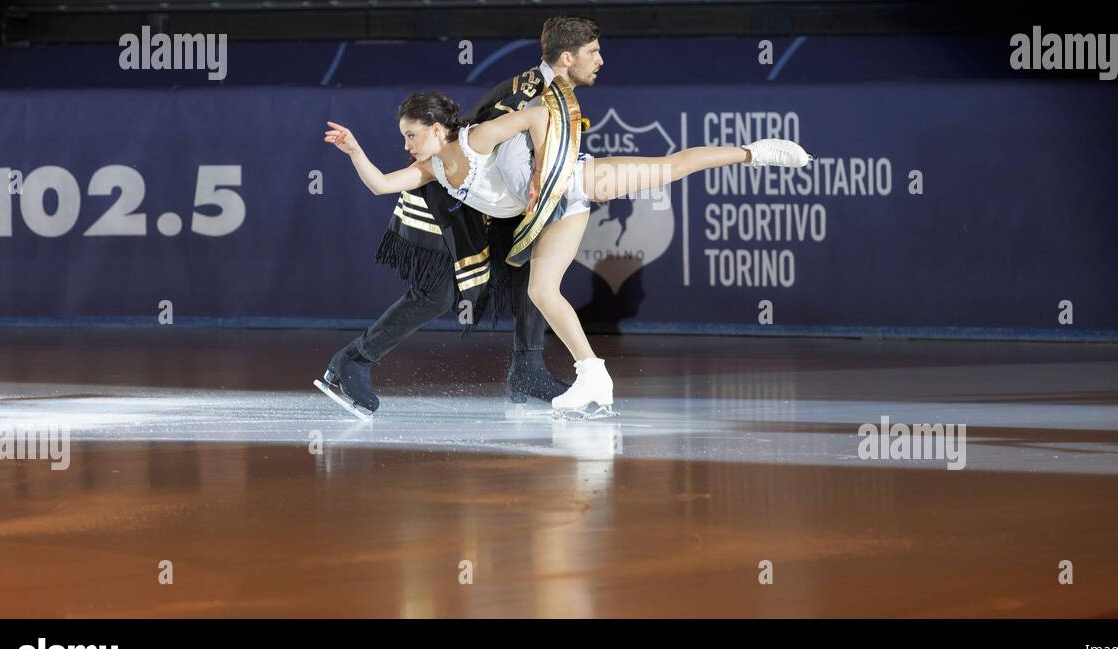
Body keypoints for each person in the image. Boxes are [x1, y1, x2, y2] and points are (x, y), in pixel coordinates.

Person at [324, 81, 813, 418]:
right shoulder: (432, 170)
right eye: (404, 138)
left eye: (412, 135)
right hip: (555, 213)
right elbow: (381, 186)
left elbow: (538, 113)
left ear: (437, 129)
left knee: (672, 167)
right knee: (541, 289)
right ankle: (590, 376)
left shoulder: (476, 138)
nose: (407, 145)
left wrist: (541, 174)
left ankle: (757, 152)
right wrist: (353, 152)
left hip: (578, 180)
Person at [314, 17, 603, 419]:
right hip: (443, 197)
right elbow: (471, 144)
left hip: (485, 202)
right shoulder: (529, 92)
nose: (600, 61)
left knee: (530, 266)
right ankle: (353, 361)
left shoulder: (554, 94)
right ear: (567, 58)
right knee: (436, 294)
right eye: (593, 52)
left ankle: (529, 368)